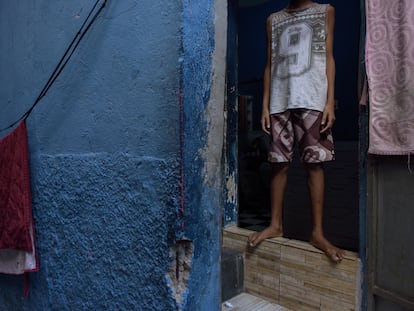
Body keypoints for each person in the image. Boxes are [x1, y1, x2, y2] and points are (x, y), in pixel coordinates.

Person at [248, 0, 345, 262]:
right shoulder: (273, 20)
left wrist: (329, 102)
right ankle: (276, 224)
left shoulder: (325, 11)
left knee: (314, 165)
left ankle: (317, 233)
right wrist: (265, 105)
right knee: (278, 163)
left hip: (313, 98)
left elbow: (328, 56)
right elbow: (269, 64)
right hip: (280, 101)